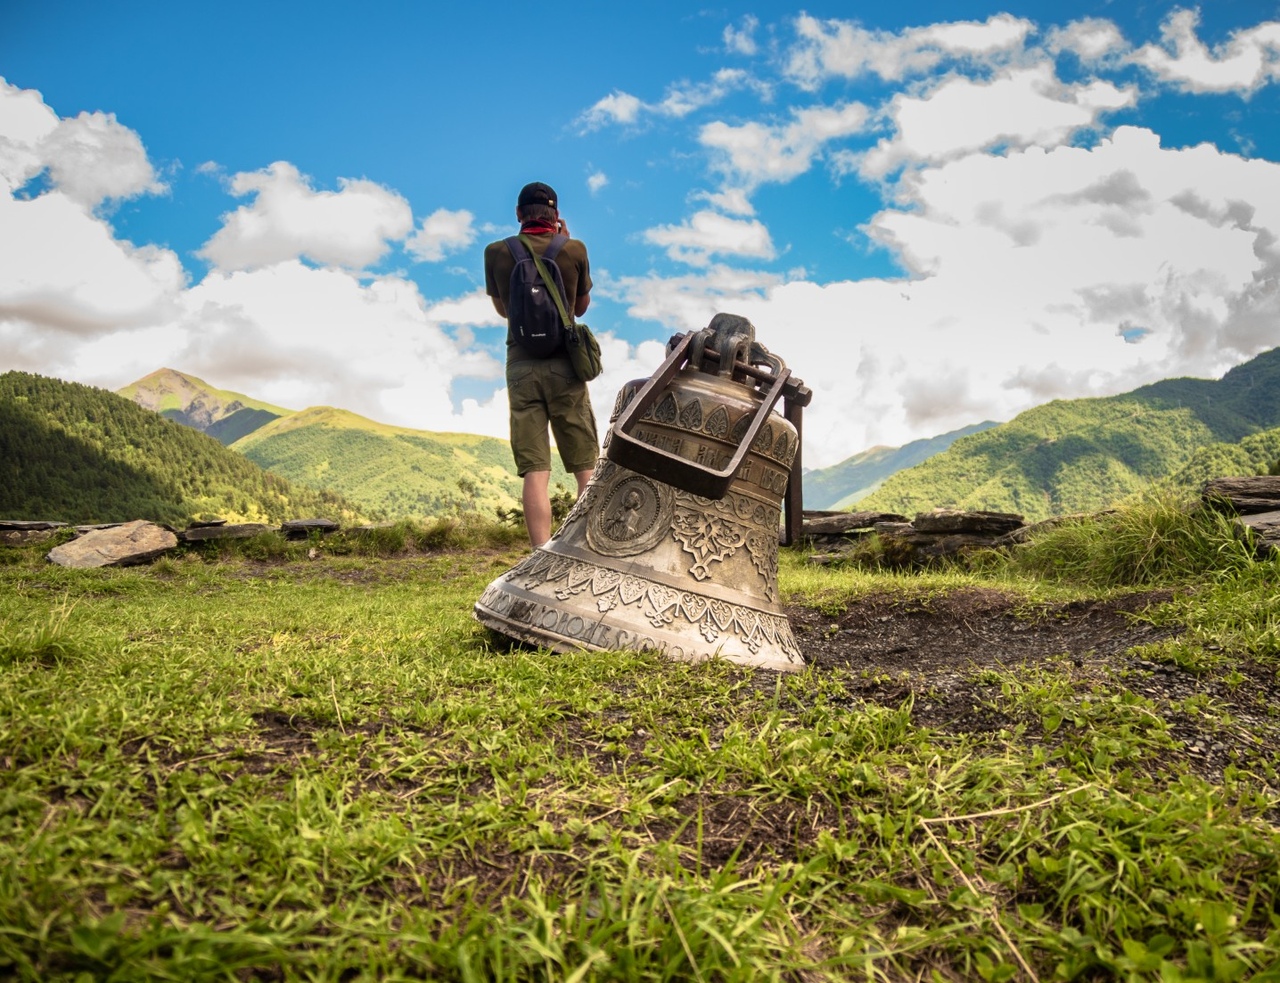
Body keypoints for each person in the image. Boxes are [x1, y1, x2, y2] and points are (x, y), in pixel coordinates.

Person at [484, 181, 598, 548]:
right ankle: (580, 550)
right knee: (584, 467)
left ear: (519, 214)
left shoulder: (497, 252)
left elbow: (503, 310)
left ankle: (539, 555)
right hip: (565, 364)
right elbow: (578, 309)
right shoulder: (574, 249)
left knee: (535, 470)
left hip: (520, 365)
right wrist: (567, 243)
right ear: (555, 216)